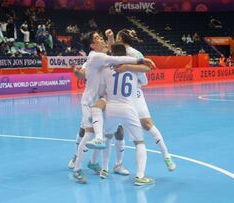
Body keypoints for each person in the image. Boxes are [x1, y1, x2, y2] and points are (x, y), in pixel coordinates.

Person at [72, 31, 154, 183]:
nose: (100, 38)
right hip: (90, 101)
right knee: (89, 133)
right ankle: (77, 168)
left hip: (102, 99)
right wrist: (142, 59)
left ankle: (95, 162)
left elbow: (113, 53)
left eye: (100, 36)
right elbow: (116, 58)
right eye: (97, 38)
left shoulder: (102, 57)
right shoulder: (96, 56)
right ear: (92, 45)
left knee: (105, 134)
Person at [114, 29, 176, 171]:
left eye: (117, 36)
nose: (116, 39)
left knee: (147, 124)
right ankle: (118, 164)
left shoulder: (135, 54)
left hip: (134, 94)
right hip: (119, 96)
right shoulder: (114, 53)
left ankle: (166, 155)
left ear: (122, 39)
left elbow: (145, 75)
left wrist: (129, 69)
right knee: (119, 130)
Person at [100, 43, 154, 185]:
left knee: (107, 137)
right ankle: (140, 176)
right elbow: (148, 68)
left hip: (111, 107)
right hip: (128, 108)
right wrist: (131, 64)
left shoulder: (106, 69)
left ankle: (104, 168)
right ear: (126, 55)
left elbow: (102, 90)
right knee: (139, 142)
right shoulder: (134, 69)